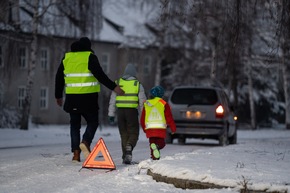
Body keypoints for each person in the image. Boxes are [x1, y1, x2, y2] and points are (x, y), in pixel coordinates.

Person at [55, 37, 124, 163]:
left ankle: (76, 154)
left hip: (71, 98)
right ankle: (85, 141)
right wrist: (114, 87)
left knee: (74, 125)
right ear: (88, 47)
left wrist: (58, 96)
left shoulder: (67, 58)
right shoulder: (90, 57)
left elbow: (59, 77)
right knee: (93, 122)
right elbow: (100, 75)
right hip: (88, 99)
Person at [108, 63, 146, 164]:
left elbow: (112, 100)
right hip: (132, 112)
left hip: (120, 112)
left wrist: (111, 114)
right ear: (134, 73)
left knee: (123, 134)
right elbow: (142, 102)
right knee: (134, 133)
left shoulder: (118, 82)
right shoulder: (137, 84)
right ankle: (130, 146)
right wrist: (144, 115)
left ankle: (125, 156)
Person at [140, 86, 176, 160]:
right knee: (161, 144)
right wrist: (173, 128)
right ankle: (157, 147)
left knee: (152, 144)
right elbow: (169, 117)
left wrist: (144, 128)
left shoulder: (147, 103)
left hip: (150, 128)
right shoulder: (164, 104)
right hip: (160, 128)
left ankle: (154, 157)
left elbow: (142, 118)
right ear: (161, 94)